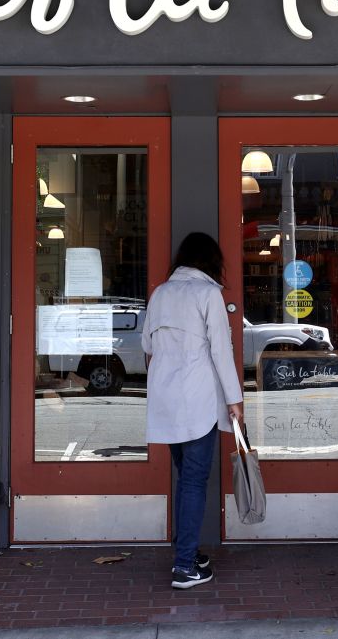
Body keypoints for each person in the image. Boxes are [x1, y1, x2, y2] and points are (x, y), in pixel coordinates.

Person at [142, 232, 244, 589]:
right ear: (211, 260)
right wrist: (235, 400)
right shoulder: (208, 294)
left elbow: (147, 346)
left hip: (165, 400)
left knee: (186, 479)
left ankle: (186, 550)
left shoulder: (160, 294)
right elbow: (221, 351)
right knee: (194, 481)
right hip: (197, 400)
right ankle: (184, 566)